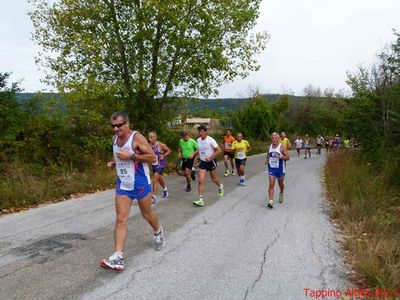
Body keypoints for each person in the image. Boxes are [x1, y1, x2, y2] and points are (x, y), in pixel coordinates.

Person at [100, 112, 165, 271]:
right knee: (121, 219)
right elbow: (120, 157)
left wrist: (132, 156)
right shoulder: (114, 139)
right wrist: (113, 163)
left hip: (141, 183)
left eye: (119, 125)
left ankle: (158, 231)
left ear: (127, 123)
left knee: (147, 214)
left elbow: (152, 158)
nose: (115, 129)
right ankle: (118, 256)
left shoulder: (137, 138)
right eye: (113, 126)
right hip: (123, 184)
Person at [194, 125, 224, 207]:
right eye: (199, 132)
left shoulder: (211, 140)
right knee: (200, 180)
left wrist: (210, 157)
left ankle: (220, 185)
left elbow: (219, 150)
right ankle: (200, 199)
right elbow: (199, 150)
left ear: (206, 132)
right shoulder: (198, 140)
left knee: (214, 179)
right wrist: (197, 157)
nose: (200, 133)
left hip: (211, 162)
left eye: (202, 131)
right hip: (203, 162)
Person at [265, 132, 289, 208]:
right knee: (271, 184)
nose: (274, 140)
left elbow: (288, 158)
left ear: (278, 139)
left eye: (276, 138)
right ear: (271, 139)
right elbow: (268, 157)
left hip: (280, 169)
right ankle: (270, 202)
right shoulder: (269, 148)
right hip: (272, 168)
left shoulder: (282, 147)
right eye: (273, 138)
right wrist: (267, 161)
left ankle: (281, 192)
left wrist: (280, 156)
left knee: (280, 185)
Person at [148, 131, 172, 204]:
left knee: (154, 179)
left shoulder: (160, 145)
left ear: (155, 137)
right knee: (159, 179)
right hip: (154, 165)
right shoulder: (148, 146)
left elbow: (169, 150)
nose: (150, 139)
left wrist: (163, 155)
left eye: (151, 137)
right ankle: (165, 189)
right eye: (149, 137)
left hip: (160, 165)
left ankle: (153, 197)